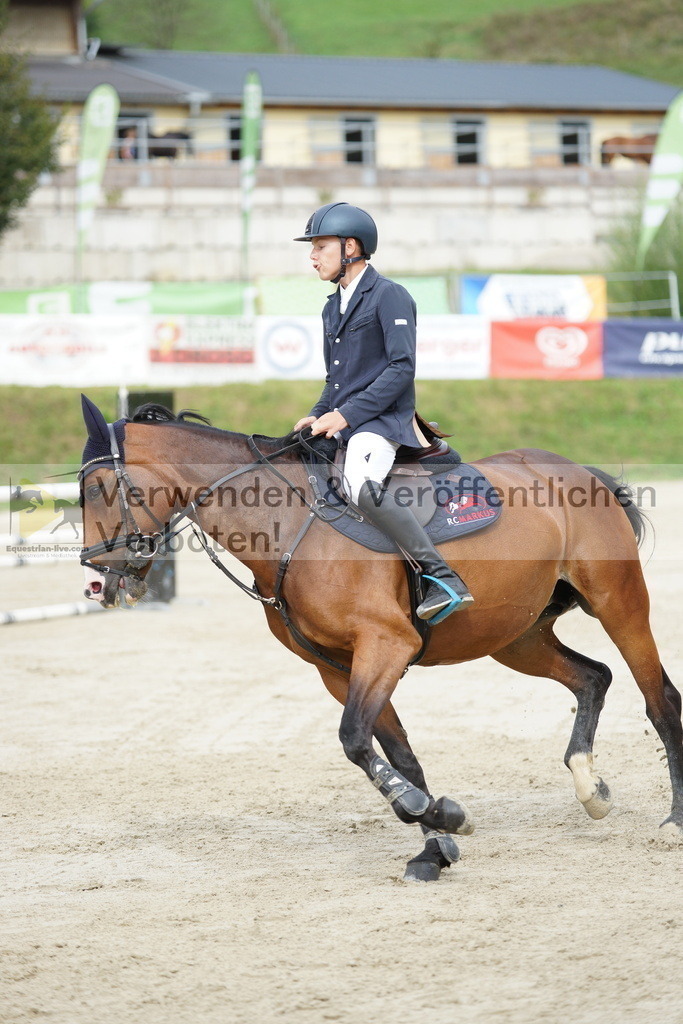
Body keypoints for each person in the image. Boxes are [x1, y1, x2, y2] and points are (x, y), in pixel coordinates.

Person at [293, 201, 473, 622]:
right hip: (350, 420)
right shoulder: (331, 306)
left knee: (358, 483)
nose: (312, 256)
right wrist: (317, 413)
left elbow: (401, 369)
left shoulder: (389, 295)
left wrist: (346, 415)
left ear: (350, 247)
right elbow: (336, 379)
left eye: (320, 246)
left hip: (382, 422)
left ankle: (441, 576)